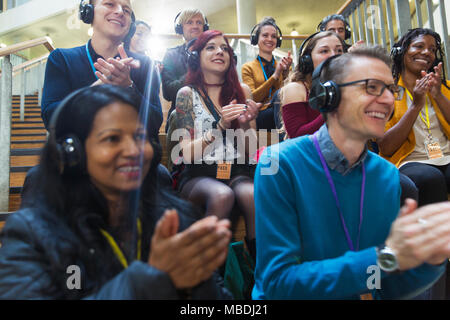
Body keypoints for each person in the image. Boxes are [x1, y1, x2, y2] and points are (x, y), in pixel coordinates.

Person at [253, 46, 449, 300]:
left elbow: (383, 283)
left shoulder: (387, 175)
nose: (389, 99)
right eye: (371, 87)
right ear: (329, 96)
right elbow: (278, 284)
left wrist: (430, 260)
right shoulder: (278, 164)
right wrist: (384, 255)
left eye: (391, 89)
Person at [0, 85, 232, 299]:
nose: (134, 151)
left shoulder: (173, 218)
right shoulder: (32, 233)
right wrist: (153, 277)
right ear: (72, 153)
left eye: (140, 137)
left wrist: (197, 281)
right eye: (112, 139)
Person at [172, 30, 261, 261]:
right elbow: (188, 155)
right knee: (222, 195)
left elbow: (251, 152)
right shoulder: (186, 94)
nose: (219, 51)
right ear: (196, 57)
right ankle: (209, 279)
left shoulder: (243, 91)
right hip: (198, 175)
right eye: (210, 47)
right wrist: (220, 126)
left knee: (253, 194)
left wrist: (243, 124)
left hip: (237, 170)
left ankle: (262, 276)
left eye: (224, 48)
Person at [41, 0, 162, 141]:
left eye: (126, 10)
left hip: (130, 152)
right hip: (79, 156)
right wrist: (94, 91)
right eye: (110, 4)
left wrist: (129, 88)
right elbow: (51, 119)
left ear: (131, 24)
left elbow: (154, 123)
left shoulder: (145, 64)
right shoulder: (62, 58)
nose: (120, 12)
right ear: (88, 12)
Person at [278, 31, 345, 138]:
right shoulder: (295, 88)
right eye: (324, 51)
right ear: (307, 60)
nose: (333, 55)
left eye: (339, 50)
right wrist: (332, 107)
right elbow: (297, 136)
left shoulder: (347, 86)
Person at [241, 17, 292, 130]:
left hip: (280, 115)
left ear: (277, 41)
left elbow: (289, 96)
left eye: (273, 36)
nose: (270, 39)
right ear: (256, 39)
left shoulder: (284, 66)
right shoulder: (248, 67)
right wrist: (275, 75)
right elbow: (252, 98)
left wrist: (286, 73)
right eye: (265, 35)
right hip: (260, 115)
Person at [161, 9, 209, 126]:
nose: (195, 26)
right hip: (180, 117)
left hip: (211, 114)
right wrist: (195, 69)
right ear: (180, 28)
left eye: (199, 22)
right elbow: (168, 93)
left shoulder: (214, 53)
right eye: (189, 22)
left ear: (205, 28)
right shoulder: (171, 54)